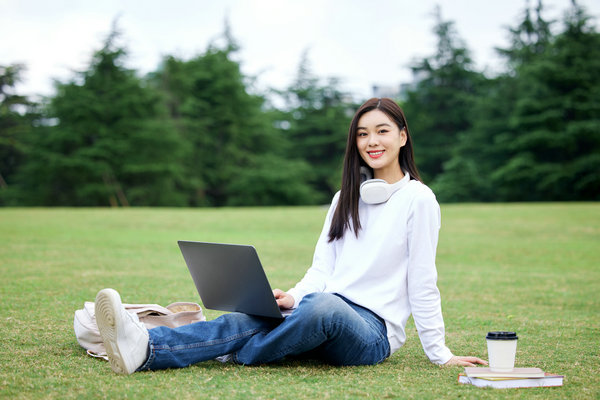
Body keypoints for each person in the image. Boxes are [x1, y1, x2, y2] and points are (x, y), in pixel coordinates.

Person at [94, 97, 487, 375]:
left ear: (403, 137)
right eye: (363, 134)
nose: (372, 141)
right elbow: (322, 269)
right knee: (260, 313)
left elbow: (423, 281)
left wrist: (440, 354)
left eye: (382, 131)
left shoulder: (419, 199)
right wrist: (291, 297)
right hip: (319, 308)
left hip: (371, 334)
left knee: (321, 306)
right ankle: (148, 346)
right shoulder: (343, 199)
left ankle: (231, 352)